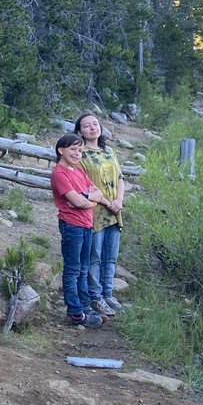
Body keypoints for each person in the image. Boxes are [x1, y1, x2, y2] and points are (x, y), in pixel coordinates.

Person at [51, 133, 104, 328]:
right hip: (71, 225)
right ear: (61, 150)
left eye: (80, 150)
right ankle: (75, 312)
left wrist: (85, 200)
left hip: (86, 225)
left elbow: (97, 193)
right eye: (73, 149)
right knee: (73, 269)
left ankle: (84, 306)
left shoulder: (78, 171)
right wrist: (87, 200)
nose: (77, 153)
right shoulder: (60, 173)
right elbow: (79, 201)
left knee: (83, 269)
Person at [75, 112, 125, 316]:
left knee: (110, 256)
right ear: (79, 131)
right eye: (87, 126)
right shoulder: (81, 154)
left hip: (115, 211)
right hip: (96, 211)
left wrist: (119, 201)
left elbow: (120, 178)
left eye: (95, 124)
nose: (93, 128)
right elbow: (85, 185)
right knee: (94, 256)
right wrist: (106, 201)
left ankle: (108, 293)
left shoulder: (109, 151)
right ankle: (96, 297)